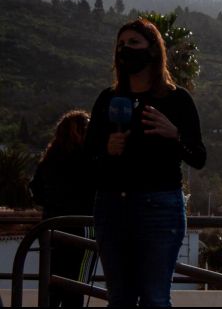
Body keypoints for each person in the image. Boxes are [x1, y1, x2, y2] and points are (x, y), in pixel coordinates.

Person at [84, 17, 206, 307]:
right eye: (120, 44)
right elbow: (87, 158)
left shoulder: (177, 100)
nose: (125, 49)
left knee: (155, 298)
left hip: (159, 208)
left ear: (152, 50)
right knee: (120, 298)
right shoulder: (108, 100)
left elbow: (198, 156)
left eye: (133, 42)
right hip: (112, 207)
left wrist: (174, 135)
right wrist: (107, 148)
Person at [29, 110, 97, 308]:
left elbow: (36, 191)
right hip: (82, 229)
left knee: (52, 285)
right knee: (77, 286)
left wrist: (53, 205)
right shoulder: (89, 160)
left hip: (52, 229)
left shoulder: (49, 160)